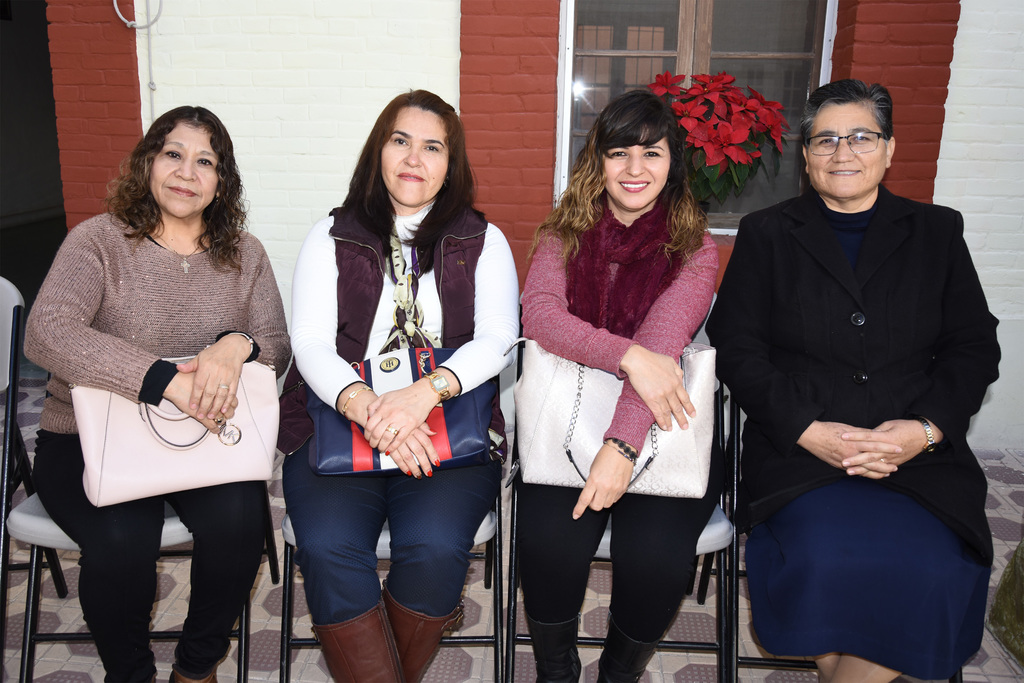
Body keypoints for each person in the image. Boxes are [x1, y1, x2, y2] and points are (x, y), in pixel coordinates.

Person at [707, 79, 1000, 682]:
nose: (843, 152)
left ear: (889, 149)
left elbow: (973, 346)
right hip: (801, 453)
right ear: (806, 156)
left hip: (917, 459)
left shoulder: (937, 231)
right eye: (826, 140)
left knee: (929, 569)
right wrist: (807, 430)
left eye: (862, 137)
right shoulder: (767, 233)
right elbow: (736, 347)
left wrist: (924, 431)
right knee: (825, 560)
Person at [25, 106, 290, 683]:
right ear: (147, 162)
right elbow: (47, 331)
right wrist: (166, 382)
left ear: (222, 181)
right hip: (89, 440)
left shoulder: (245, 252)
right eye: (173, 154)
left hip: (206, 437)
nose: (186, 173)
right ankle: (131, 674)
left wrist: (236, 344)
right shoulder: (98, 241)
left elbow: (276, 344)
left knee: (242, 523)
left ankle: (195, 669)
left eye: (205, 162)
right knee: (122, 539)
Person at [279, 89, 519, 682]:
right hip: (338, 418)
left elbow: (498, 338)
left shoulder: (482, 240)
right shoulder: (331, 235)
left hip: (448, 422)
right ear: (378, 151)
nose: (415, 158)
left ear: (451, 164)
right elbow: (308, 342)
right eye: (401, 141)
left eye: (433, 147)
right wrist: (370, 408)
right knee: (328, 546)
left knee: (435, 546)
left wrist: (421, 395)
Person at [514, 89, 722, 683]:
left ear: (672, 163)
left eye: (652, 153)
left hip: (659, 428)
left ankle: (618, 673)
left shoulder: (694, 249)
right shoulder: (561, 235)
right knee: (548, 546)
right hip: (565, 423)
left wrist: (621, 447)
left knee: (656, 560)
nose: (635, 168)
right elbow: (542, 318)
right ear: (597, 160)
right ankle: (556, 670)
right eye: (619, 152)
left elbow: (663, 352)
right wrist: (628, 355)